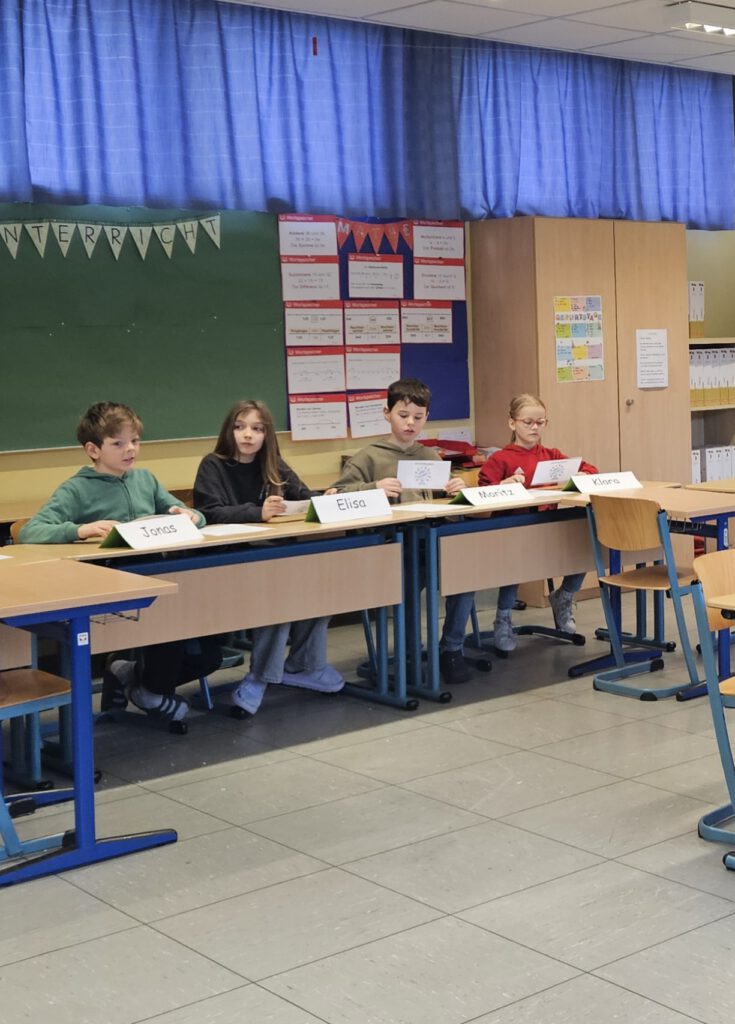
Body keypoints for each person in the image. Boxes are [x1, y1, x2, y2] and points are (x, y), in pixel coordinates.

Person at [19, 401, 221, 726]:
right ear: (93, 449)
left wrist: (191, 515)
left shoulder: (145, 479)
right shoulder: (76, 489)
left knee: (209, 652)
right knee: (168, 638)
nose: (130, 450)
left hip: (161, 577)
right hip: (114, 585)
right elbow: (31, 531)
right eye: (118, 443)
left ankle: (130, 676)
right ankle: (148, 691)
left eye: (135, 441)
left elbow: (190, 515)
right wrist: (80, 529)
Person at [193, 399, 344, 717]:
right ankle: (260, 677)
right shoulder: (213, 465)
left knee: (324, 587)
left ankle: (305, 665)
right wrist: (256, 512)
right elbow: (209, 512)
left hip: (275, 555)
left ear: (267, 435)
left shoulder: (273, 464)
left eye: (257, 429)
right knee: (280, 597)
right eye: (240, 427)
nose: (248, 435)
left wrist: (325, 498)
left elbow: (304, 497)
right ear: (229, 430)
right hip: (231, 559)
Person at [326, 378, 475, 686]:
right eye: (403, 415)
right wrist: (373, 487)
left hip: (430, 541)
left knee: (466, 575)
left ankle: (451, 648)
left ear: (426, 418)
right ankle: (410, 653)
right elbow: (334, 495)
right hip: (393, 547)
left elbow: (441, 503)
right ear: (387, 413)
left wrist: (456, 489)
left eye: (418, 417)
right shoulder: (369, 457)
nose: (410, 423)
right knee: (406, 585)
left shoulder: (430, 456)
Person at [478, 392, 598, 653]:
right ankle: (503, 617)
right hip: (512, 530)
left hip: (547, 527)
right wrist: (504, 485)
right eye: (528, 422)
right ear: (512, 423)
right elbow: (482, 492)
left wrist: (579, 474)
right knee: (514, 568)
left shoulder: (551, 455)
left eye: (540, 423)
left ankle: (564, 596)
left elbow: (591, 469)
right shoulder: (500, 458)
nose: (534, 428)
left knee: (584, 544)